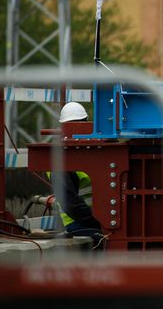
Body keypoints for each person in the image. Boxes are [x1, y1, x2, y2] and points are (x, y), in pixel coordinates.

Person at [49, 102, 106, 247]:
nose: (77, 129)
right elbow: (71, 204)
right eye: (74, 125)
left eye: (81, 124)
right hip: (78, 223)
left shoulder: (89, 150)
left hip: (97, 219)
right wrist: (100, 221)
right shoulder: (60, 159)